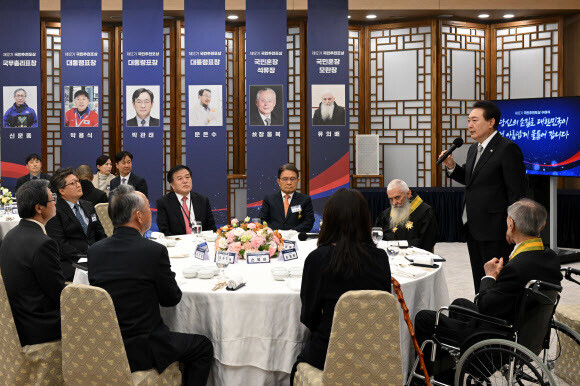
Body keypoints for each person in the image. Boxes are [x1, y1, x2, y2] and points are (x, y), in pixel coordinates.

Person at [413, 199, 562, 382]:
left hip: (497, 338)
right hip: (528, 333)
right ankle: (448, 375)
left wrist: (490, 277)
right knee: (458, 304)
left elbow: (485, 306)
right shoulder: (551, 258)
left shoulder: (517, 266)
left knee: (424, 318)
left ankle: (425, 379)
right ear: (543, 225)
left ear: (511, 224)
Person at [88, 185, 214, 384]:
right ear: (139, 216)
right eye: (148, 208)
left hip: (106, 343)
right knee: (203, 346)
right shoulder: (152, 251)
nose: (150, 213)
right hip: (143, 347)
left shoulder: (95, 250)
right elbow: (171, 299)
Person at [290, 188, 392, 384]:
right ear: (364, 219)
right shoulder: (380, 258)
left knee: (295, 365)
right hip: (375, 351)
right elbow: (382, 303)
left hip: (329, 352)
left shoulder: (317, 259)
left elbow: (309, 316)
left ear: (329, 219)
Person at [440, 100, 527, 293]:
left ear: (491, 122)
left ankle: (496, 318)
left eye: (474, 120)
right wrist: (452, 166)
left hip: (496, 228)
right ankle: (481, 310)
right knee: (479, 276)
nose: (469, 125)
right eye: (468, 120)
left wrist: (513, 225)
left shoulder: (507, 149)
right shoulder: (473, 149)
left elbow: (517, 192)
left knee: (496, 279)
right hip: (473, 225)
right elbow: (472, 181)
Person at [0, 180, 64, 346]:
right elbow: (58, 294)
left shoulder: (10, 235)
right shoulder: (43, 243)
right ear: (39, 208)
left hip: (17, 320)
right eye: (52, 199)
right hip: (39, 325)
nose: (55, 203)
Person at [46, 167, 107, 281]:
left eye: (78, 181)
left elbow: (101, 234)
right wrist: (85, 258)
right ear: (62, 191)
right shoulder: (54, 211)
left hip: (95, 256)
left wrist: (105, 250)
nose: (79, 185)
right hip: (72, 262)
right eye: (73, 183)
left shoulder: (88, 205)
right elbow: (61, 245)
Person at [374, 179, 438, 252]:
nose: (394, 203)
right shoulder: (386, 215)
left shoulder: (425, 212)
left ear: (408, 194)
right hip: (390, 256)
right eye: (391, 199)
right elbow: (377, 239)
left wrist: (396, 245)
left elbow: (427, 242)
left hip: (416, 257)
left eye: (397, 197)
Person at [156, 165, 216, 235]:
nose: (185, 181)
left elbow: (211, 228)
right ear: (172, 184)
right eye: (180, 178)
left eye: (187, 177)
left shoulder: (202, 200)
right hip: (177, 244)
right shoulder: (164, 202)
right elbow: (164, 231)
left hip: (201, 243)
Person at [259, 164, 314, 232]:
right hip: (274, 238)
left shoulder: (305, 200)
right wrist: (275, 232)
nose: (289, 182)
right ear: (278, 181)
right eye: (285, 179)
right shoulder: (269, 199)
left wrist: (292, 232)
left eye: (292, 179)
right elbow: (263, 219)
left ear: (297, 180)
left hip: (296, 238)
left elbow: (309, 222)